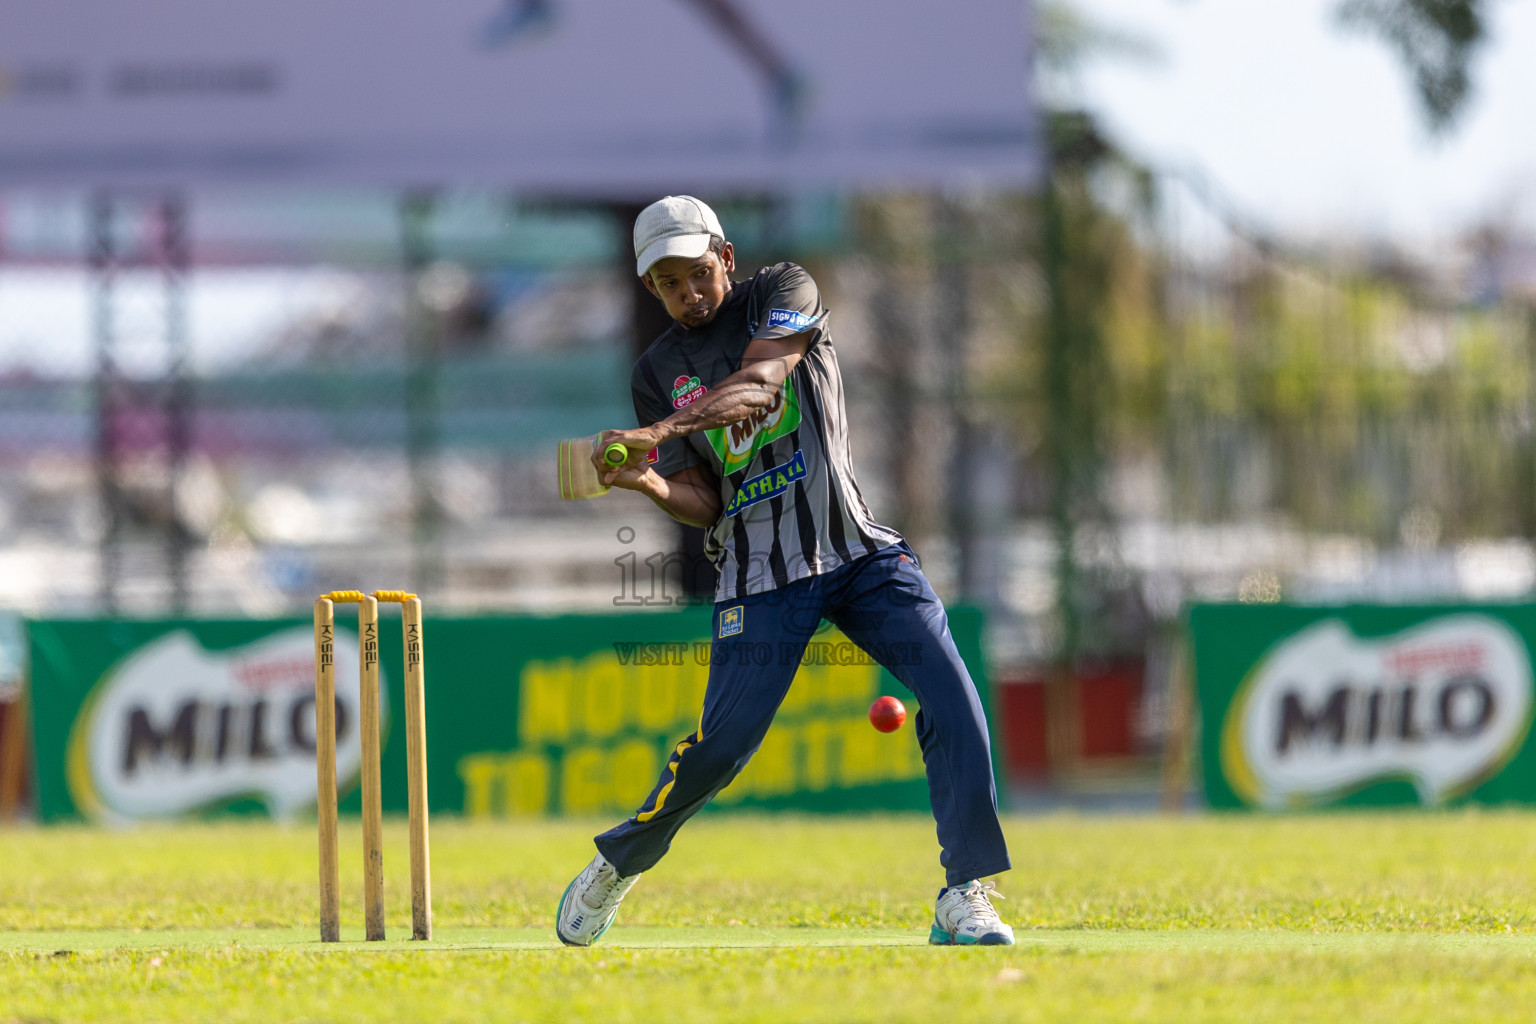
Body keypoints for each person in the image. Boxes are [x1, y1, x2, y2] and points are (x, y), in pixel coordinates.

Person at [555, 195, 1014, 947]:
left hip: (860, 553)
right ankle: (618, 864)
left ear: (725, 258)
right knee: (721, 750)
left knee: (954, 698)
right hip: (758, 575)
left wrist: (659, 430)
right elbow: (704, 499)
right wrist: (643, 478)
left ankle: (966, 893)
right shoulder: (655, 369)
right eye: (667, 284)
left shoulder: (783, 291)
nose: (687, 293)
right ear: (651, 290)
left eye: (697, 273)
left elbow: (762, 384)